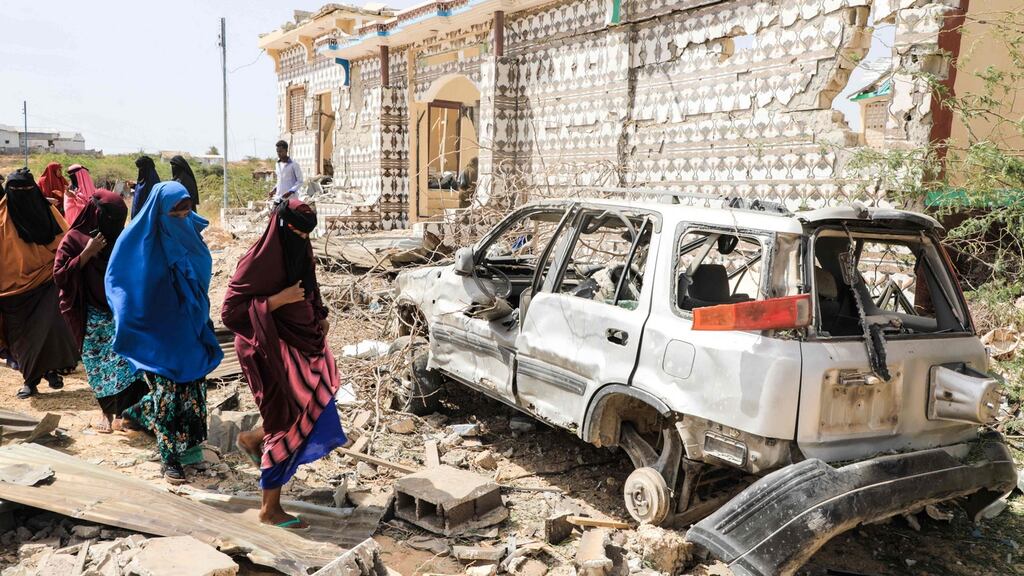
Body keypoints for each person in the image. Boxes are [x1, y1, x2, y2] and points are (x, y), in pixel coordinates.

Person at [222, 198, 345, 529]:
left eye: (308, 235)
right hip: (266, 351)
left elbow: (310, 293)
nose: (302, 241)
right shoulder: (257, 261)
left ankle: (253, 439)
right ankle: (269, 509)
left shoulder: (301, 250)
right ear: (279, 226)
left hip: (303, 345)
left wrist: (320, 318)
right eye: (296, 233)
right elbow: (230, 313)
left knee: (315, 405)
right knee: (283, 421)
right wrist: (276, 301)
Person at [106, 181, 223, 483]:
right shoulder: (138, 244)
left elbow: (201, 280)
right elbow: (122, 285)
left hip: (188, 329)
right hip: (156, 334)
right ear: (159, 213)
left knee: (193, 389)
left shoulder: (189, 239)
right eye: (176, 214)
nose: (183, 219)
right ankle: (169, 459)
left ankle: (149, 423)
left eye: (187, 213)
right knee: (168, 394)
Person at [54, 189, 147, 433]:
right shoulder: (74, 238)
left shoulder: (120, 238)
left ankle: (126, 414)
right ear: (96, 215)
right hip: (87, 310)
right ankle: (105, 412)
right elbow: (60, 276)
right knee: (96, 364)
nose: (114, 224)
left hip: (118, 310)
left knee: (124, 363)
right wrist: (86, 254)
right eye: (110, 218)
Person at [0, 169, 79, 399]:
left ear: (34, 190)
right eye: (16, 191)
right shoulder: (2, 217)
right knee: (22, 339)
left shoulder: (48, 212)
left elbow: (66, 242)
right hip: (11, 292)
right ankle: (36, 376)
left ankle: (36, 377)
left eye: (26, 190)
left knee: (48, 331)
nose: (22, 195)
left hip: (46, 283)